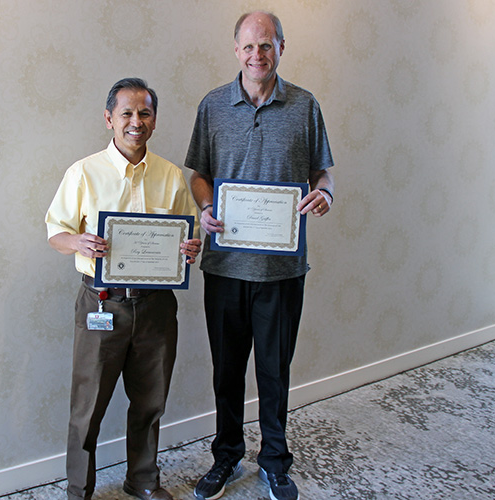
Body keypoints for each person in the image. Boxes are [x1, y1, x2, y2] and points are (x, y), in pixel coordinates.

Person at [184, 11, 335, 500]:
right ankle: (226, 457)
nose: (257, 55)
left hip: (281, 270)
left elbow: (323, 174)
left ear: (281, 49)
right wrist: (206, 206)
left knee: (274, 370)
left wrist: (325, 195)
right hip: (225, 266)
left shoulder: (305, 105)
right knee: (227, 371)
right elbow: (198, 175)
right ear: (236, 51)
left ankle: (274, 462)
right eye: (248, 47)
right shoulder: (212, 106)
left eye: (266, 46)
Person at [45, 77, 201, 500]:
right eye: (127, 113)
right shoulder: (83, 172)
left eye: (145, 113)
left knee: (150, 402)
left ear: (154, 120)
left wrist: (191, 247)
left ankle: (143, 481)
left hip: (155, 308)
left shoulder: (170, 176)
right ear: (109, 118)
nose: (136, 121)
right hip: (102, 303)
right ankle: (79, 489)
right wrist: (77, 241)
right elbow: (55, 231)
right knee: (87, 407)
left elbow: (189, 236)